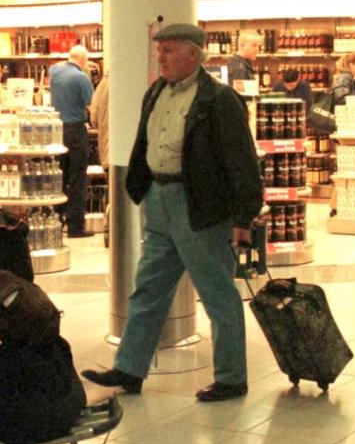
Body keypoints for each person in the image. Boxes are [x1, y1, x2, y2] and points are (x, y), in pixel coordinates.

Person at [81, 23, 262, 403]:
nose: (160, 56)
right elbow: (145, 140)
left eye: (169, 50)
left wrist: (243, 218)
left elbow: (243, 161)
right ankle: (129, 369)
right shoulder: (157, 91)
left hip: (198, 205)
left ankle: (232, 377)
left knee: (217, 293)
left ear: (194, 54)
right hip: (159, 201)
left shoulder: (219, 100)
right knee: (148, 289)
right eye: (159, 49)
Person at [50, 45, 96, 238]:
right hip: (76, 130)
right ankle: (75, 226)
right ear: (84, 60)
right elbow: (90, 103)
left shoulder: (54, 71)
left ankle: (55, 222)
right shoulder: (81, 77)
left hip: (56, 130)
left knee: (59, 176)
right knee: (77, 178)